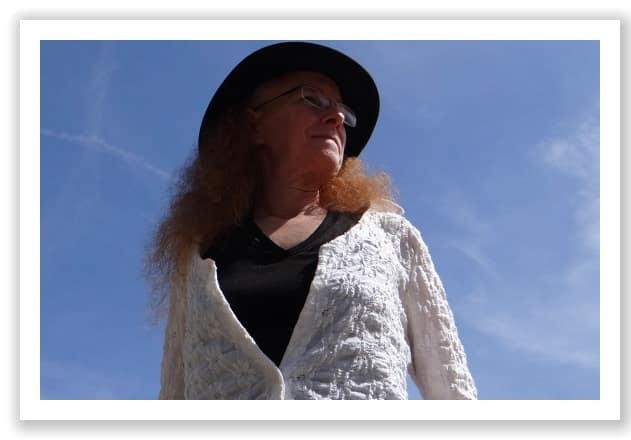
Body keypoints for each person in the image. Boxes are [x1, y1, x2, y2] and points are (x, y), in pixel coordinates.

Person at [146, 42, 478, 400]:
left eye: (344, 112)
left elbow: (453, 388)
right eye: (313, 99)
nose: (337, 117)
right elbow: (173, 396)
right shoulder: (195, 260)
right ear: (253, 126)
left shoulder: (391, 237)